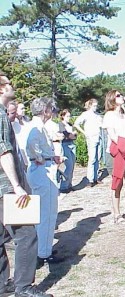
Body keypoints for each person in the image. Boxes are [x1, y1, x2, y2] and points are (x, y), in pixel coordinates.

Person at [0, 73, 53, 297]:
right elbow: (3, 151)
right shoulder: (0, 115)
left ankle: (3, 285)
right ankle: (24, 288)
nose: (12, 86)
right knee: (26, 235)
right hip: (6, 187)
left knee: (2, 237)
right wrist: (17, 186)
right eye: (8, 83)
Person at [26, 97, 63, 268]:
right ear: (45, 110)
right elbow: (31, 145)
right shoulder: (36, 127)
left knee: (46, 211)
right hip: (42, 170)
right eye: (50, 109)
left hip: (43, 168)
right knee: (46, 213)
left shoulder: (37, 126)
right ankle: (43, 252)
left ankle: (44, 248)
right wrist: (40, 157)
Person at [102, 90, 125, 224]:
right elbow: (113, 135)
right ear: (112, 99)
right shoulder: (109, 116)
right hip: (116, 152)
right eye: (118, 95)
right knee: (118, 183)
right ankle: (117, 214)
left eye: (121, 94)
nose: (121, 97)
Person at [74, 99, 103, 187]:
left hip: (98, 137)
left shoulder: (97, 115)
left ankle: (95, 177)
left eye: (96, 106)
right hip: (91, 137)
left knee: (98, 157)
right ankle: (90, 179)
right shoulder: (85, 114)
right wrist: (84, 132)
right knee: (92, 158)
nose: (95, 107)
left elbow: (101, 125)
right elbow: (76, 124)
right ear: (90, 106)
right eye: (94, 106)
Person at [59, 109, 77, 192]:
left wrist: (72, 135)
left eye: (70, 116)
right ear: (63, 116)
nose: (69, 118)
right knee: (68, 165)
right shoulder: (61, 125)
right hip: (65, 145)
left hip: (72, 144)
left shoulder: (70, 124)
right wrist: (71, 135)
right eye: (67, 116)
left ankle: (69, 184)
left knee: (72, 165)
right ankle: (63, 185)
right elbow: (66, 135)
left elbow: (74, 135)